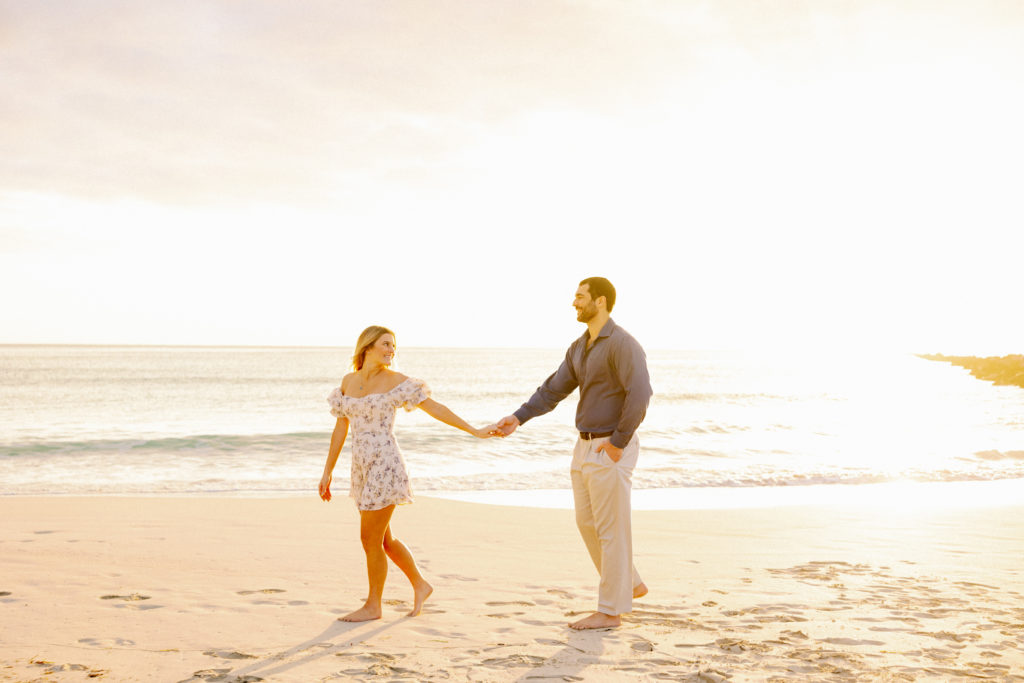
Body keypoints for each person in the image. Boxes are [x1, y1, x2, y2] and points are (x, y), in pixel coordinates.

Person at [492, 277, 653, 630]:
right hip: (584, 446)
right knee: (587, 524)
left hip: (610, 445)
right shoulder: (580, 347)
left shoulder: (623, 344)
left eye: (580, 297)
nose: (574, 303)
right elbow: (553, 390)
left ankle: (610, 612)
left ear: (601, 301)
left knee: (611, 531)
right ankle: (630, 583)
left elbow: (640, 395)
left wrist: (618, 443)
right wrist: (518, 418)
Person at [320, 325, 494, 622]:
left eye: (393, 347)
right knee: (383, 539)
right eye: (386, 344)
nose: (391, 351)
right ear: (367, 347)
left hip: (385, 463)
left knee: (370, 539)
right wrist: (328, 471)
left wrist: (474, 431)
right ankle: (421, 585)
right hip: (360, 466)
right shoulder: (348, 381)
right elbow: (341, 427)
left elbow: (435, 408)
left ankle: (374, 606)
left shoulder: (397, 382)